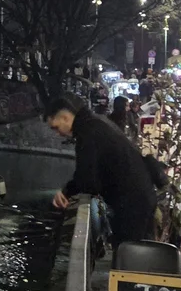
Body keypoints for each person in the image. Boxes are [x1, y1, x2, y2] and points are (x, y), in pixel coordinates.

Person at [46, 96, 157, 248]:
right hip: (140, 196)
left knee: (128, 256)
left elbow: (88, 180)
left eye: (56, 128)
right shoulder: (96, 123)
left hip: (131, 204)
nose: (57, 134)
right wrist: (68, 191)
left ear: (65, 118)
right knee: (136, 254)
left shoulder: (87, 133)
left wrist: (66, 192)